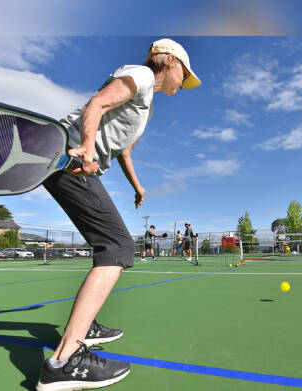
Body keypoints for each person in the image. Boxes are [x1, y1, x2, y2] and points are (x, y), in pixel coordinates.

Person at [36, 38, 201, 391]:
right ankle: (64, 361)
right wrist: (84, 146)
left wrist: (137, 188)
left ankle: (87, 324)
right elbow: (96, 104)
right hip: (70, 158)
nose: (184, 81)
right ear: (169, 61)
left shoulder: (148, 106)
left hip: (77, 160)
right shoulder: (140, 75)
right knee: (116, 247)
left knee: (111, 244)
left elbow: (124, 151)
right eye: (184, 72)